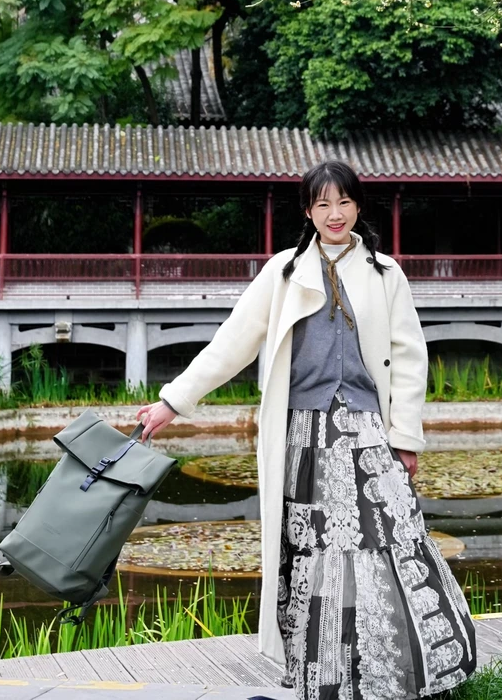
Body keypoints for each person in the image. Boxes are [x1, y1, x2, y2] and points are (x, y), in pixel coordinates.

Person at [136, 158, 476, 700]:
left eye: (344, 202)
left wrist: (405, 437)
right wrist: (172, 402)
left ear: (358, 206)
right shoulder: (284, 272)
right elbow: (231, 342)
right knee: (311, 552)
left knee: (387, 539)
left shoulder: (386, 273)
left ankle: (397, 670)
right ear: (308, 212)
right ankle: (321, 674)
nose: (335, 214)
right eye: (323, 204)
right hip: (303, 435)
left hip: (367, 431)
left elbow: (411, 357)